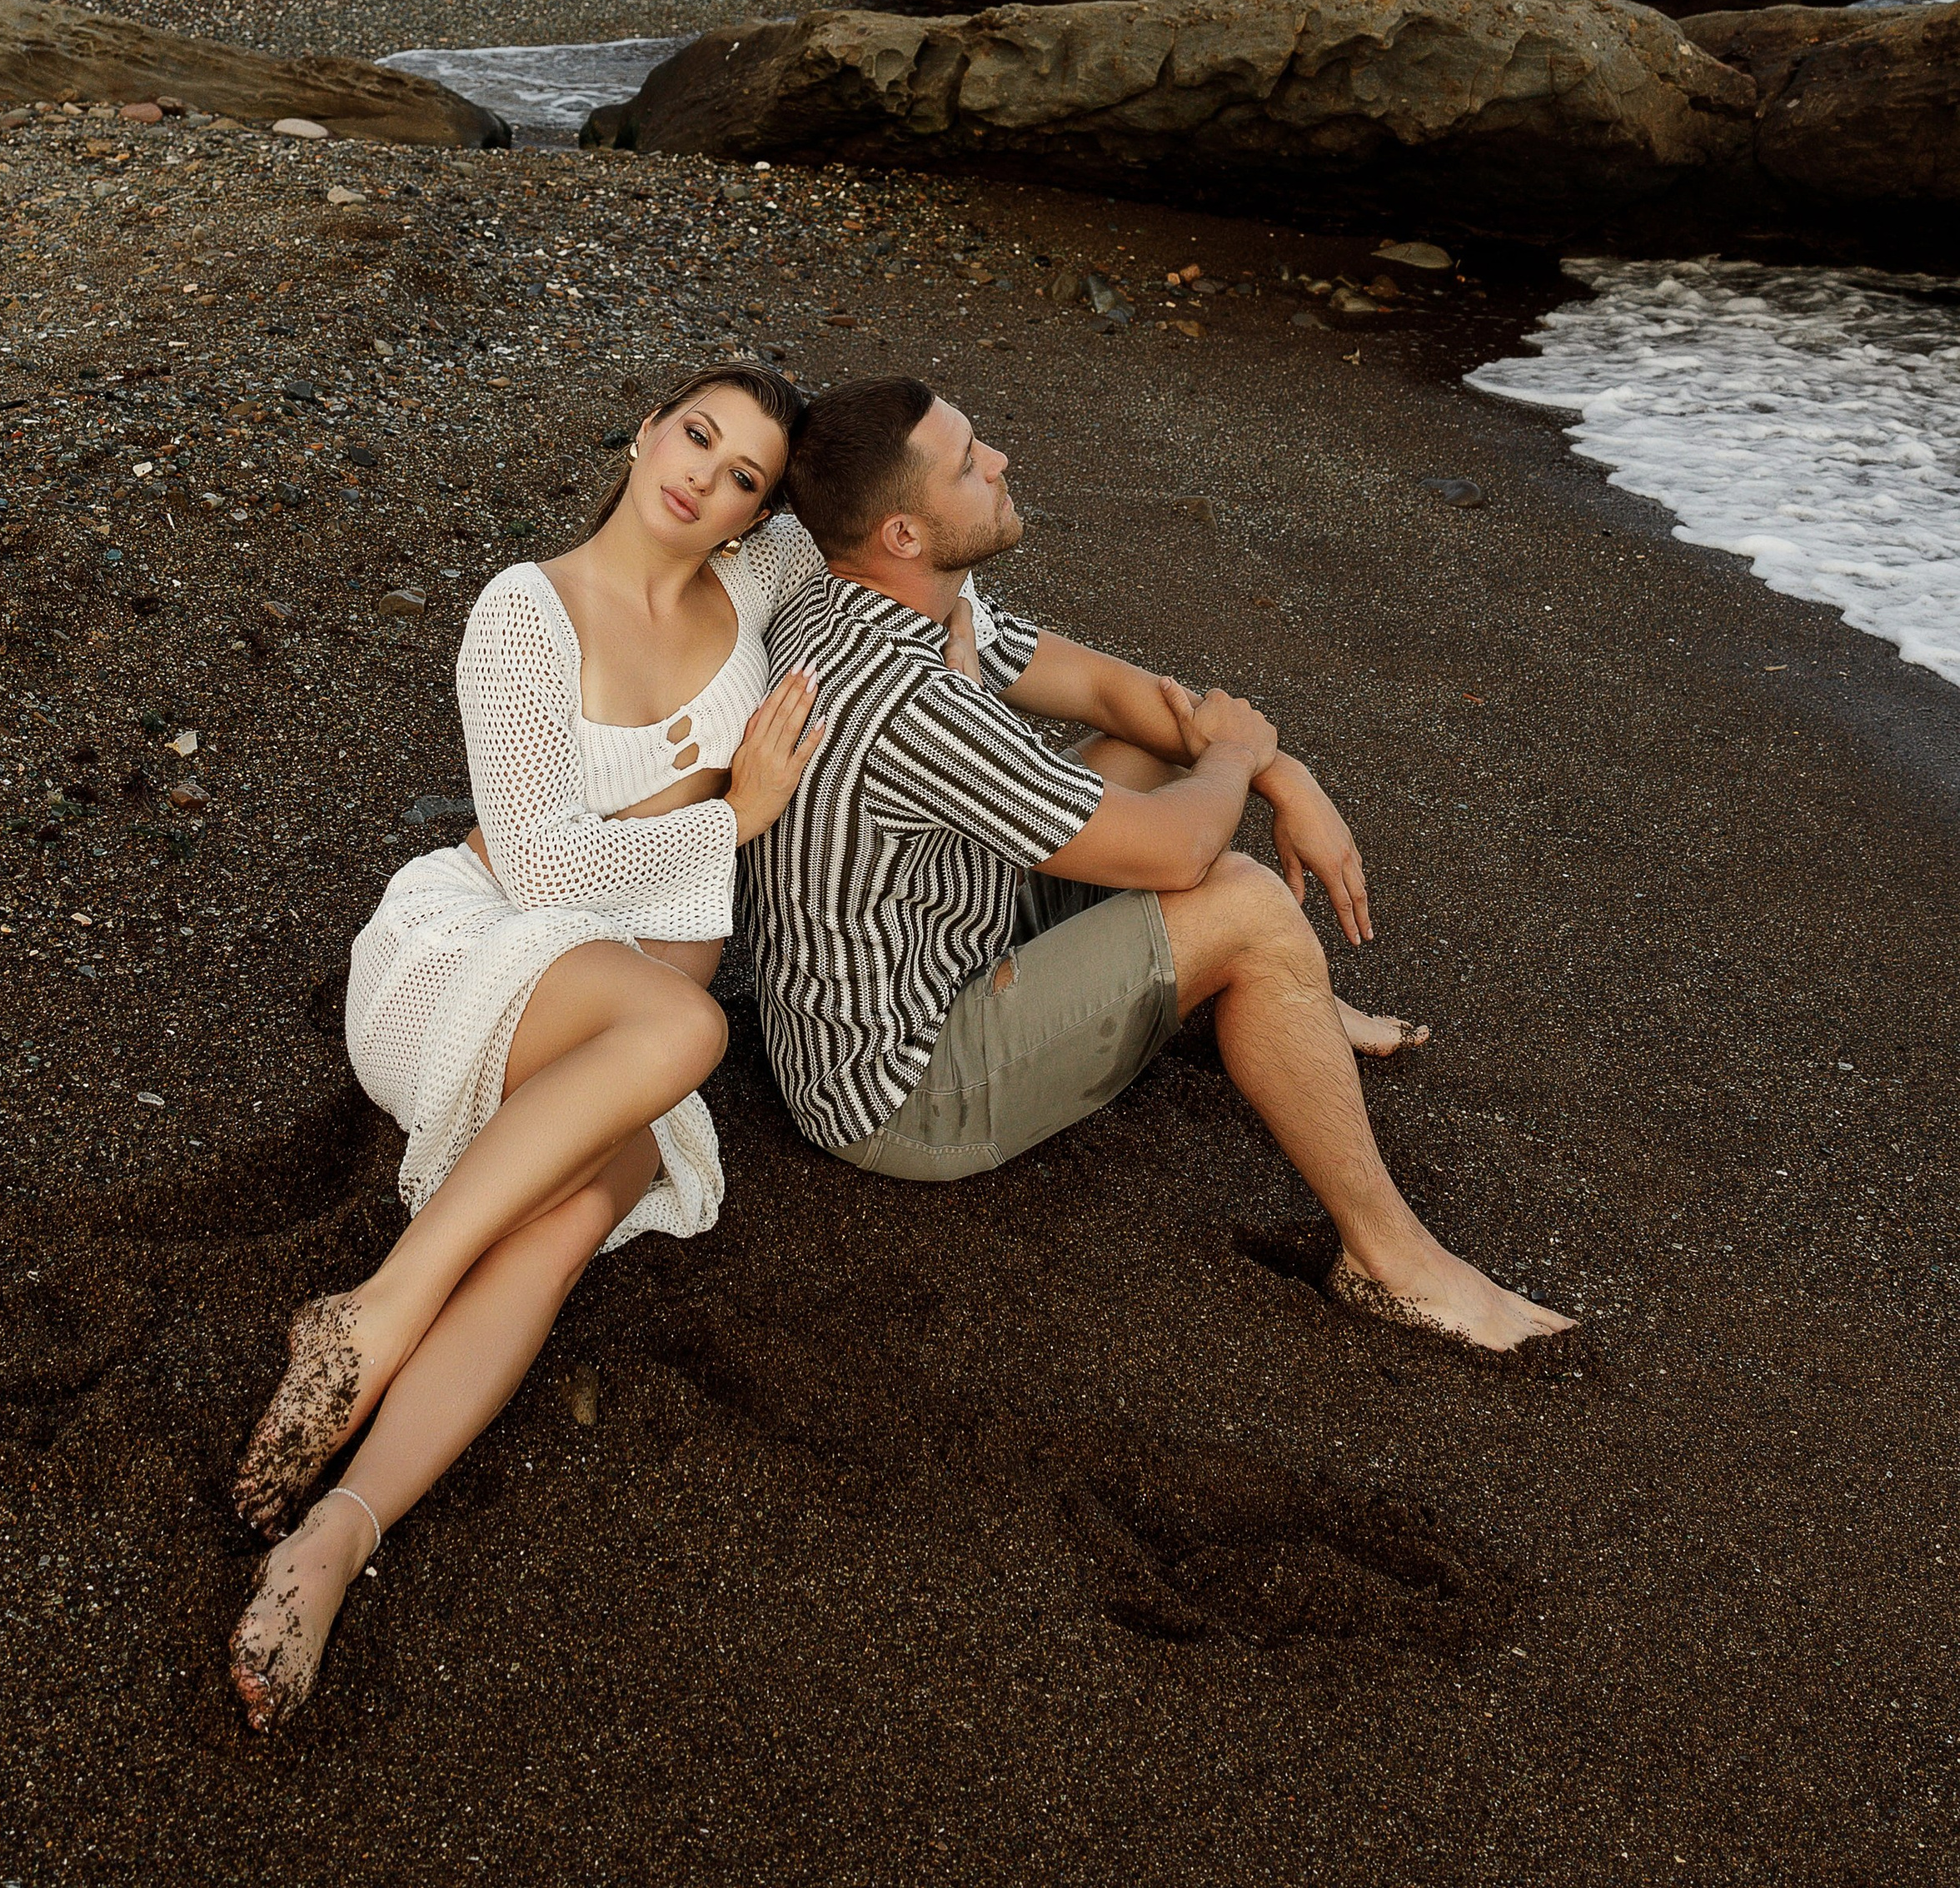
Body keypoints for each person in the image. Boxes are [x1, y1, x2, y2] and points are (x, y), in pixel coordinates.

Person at [227, 361, 833, 1730]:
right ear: (644, 430)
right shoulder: (527, 611)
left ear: (753, 512)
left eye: (743, 473)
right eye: (696, 435)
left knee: (561, 1238)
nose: (706, 477)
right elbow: (550, 858)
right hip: (470, 963)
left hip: (624, 1056)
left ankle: (336, 1540)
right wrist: (737, 812)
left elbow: (874, 499)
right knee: (685, 1019)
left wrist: (989, 641)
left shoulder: (750, 584)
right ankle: (371, 1312)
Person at [742, 376, 1572, 1352]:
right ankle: (1392, 1260)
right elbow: (1182, 850)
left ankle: (1287, 1004)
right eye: (969, 463)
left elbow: (1109, 689)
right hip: (900, 1086)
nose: (1000, 460)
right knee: (1249, 904)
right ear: (905, 536)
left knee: (1155, 752)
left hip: (938, 921)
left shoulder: (881, 597)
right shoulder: (910, 700)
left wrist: (1281, 771)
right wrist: (1236, 759)